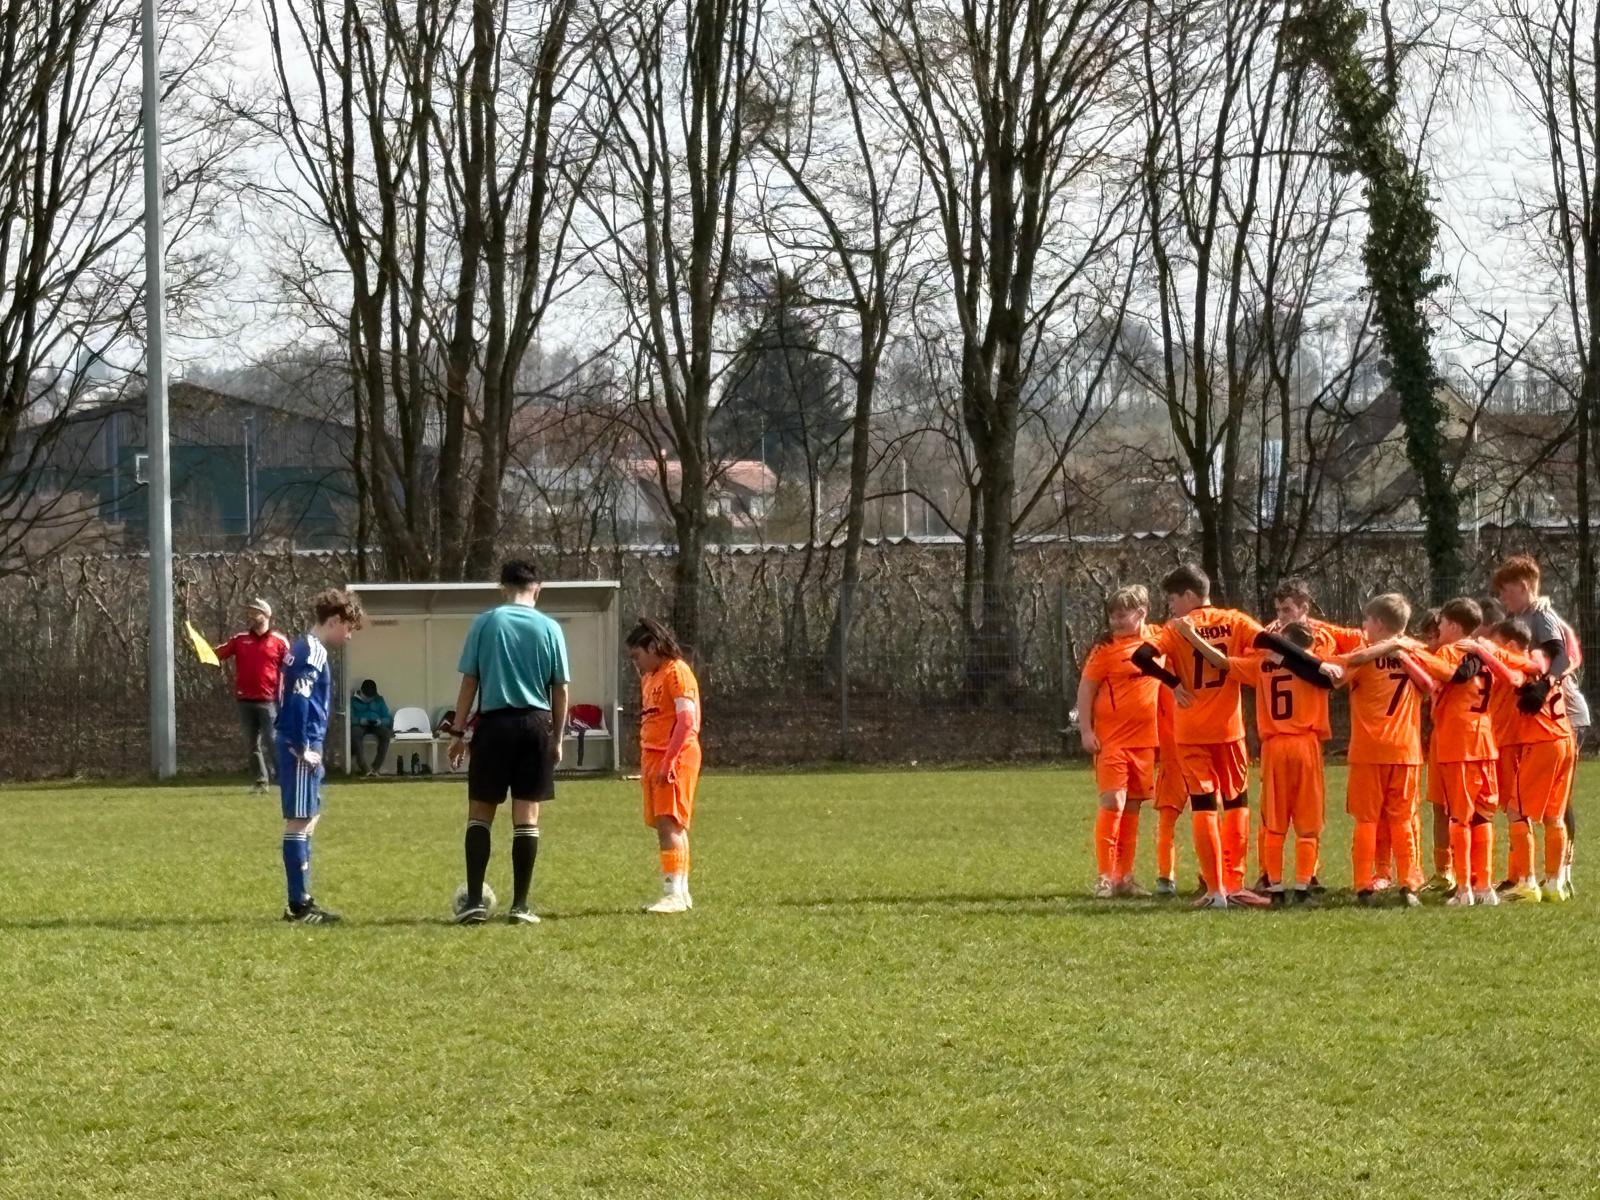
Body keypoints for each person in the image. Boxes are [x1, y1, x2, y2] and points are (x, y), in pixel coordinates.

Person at [1134, 565, 1320, 908]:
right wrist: (1315, 665)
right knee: (1236, 804)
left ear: (1189, 595)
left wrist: (1173, 683)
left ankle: (1214, 890)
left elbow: (1141, 656)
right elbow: (1274, 642)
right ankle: (1235, 885)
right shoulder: (1234, 620)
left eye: (1172, 599)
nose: (1171, 606)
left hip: (1191, 731)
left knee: (1203, 806)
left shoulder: (1176, 628)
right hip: (1229, 730)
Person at [446, 560, 571, 926]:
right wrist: (558, 738)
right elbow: (560, 689)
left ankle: (473, 902)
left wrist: (458, 733)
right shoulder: (550, 628)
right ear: (538, 588)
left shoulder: (485, 623)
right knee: (527, 817)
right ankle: (520, 906)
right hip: (535, 725)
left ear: (502, 588)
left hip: (494, 725)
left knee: (480, 813)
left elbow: (470, 682)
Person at [1334, 594, 1435, 908]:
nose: (1364, 627)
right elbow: (1437, 679)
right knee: (1403, 820)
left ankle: (1364, 885)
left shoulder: (1363, 657)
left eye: (1367, 621)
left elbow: (1337, 675)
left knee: (1366, 820)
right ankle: (1409, 884)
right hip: (1406, 750)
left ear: (1377, 623)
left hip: (1368, 750)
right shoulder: (1416, 651)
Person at [274, 588, 365, 924]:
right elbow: (299, 698)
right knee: (299, 821)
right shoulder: (312, 651)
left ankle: (303, 900)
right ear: (334, 620)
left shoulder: (303, 647)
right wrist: (302, 746)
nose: (349, 636)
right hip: (301, 746)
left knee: (309, 818)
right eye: (348, 628)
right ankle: (298, 906)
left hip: (304, 742)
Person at [1077, 586, 1161, 899]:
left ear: (1141, 613)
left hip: (1145, 742)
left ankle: (1124, 876)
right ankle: (1105, 876)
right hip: (1111, 741)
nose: (1115, 621)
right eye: (1112, 615)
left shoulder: (1158, 639)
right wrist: (1086, 731)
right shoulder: (1105, 649)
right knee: (1114, 802)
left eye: (1122, 615)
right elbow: (1086, 688)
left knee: (1133, 808)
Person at [1487, 619, 1575, 902]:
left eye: (1498, 644)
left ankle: (1526, 883)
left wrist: (1485, 651)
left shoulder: (1525, 666)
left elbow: (1514, 679)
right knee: (1553, 816)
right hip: (1565, 740)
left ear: (1511, 645)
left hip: (1542, 742)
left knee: (1517, 811)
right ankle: (1554, 883)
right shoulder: (1545, 665)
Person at [627, 617, 704, 914]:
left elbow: (687, 722)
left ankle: (673, 893)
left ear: (653, 647)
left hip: (675, 756)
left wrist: (669, 760)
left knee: (669, 823)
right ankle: (681, 893)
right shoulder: (650, 677)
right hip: (653, 756)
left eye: (637, 655)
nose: (635, 663)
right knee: (666, 823)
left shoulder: (677, 672)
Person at [215, 599, 292, 793]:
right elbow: (218, 654)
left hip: (269, 701)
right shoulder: (240, 640)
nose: (251, 616)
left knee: (273, 741)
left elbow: (291, 668)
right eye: (249, 612)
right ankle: (260, 782)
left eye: (255, 612)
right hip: (244, 701)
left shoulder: (279, 641)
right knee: (251, 745)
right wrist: (200, 648)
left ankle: (286, 780)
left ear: (266, 615)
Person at [350, 679, 393, 777]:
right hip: (360, 725)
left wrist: (380, 721)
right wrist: (360, 721)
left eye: (371, 698)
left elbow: (388, 718)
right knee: (355, 733)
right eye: (366, 698)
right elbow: (349, 719)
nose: (369, 700)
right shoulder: (353, 701)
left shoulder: (379, 700)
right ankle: (364, 768)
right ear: (361, 692)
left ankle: (375, 768)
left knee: (386, 734)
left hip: (376, 724)